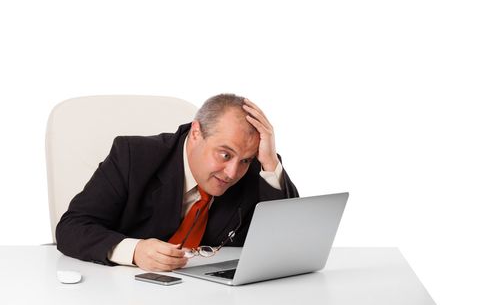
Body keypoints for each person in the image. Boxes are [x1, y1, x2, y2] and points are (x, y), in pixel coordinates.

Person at [56, 94, 299, 271]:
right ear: (196, 133)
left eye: (245, 160)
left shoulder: (254, 170)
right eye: (224, 154)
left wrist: (269, 162)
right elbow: (71, 228)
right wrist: (134, 250)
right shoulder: (133, 156)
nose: (232, 172)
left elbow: (288, 242)